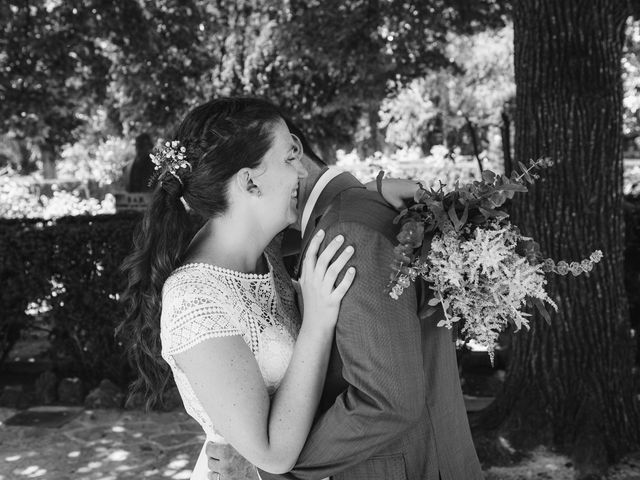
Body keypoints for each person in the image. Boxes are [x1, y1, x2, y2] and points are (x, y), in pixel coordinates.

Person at [207, 118, 484, 479]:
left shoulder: (345, 232)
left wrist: (267, 466)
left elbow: (386, 401)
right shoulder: (352, 209)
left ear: (294, 151)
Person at [119, 97, 358, 479]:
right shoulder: (194, 298)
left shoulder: (267, 249)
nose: (301, 172)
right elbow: (273, 455)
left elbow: (334, 208)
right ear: (249, 181)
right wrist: (318, 321)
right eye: (288, 158)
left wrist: (378, 193)